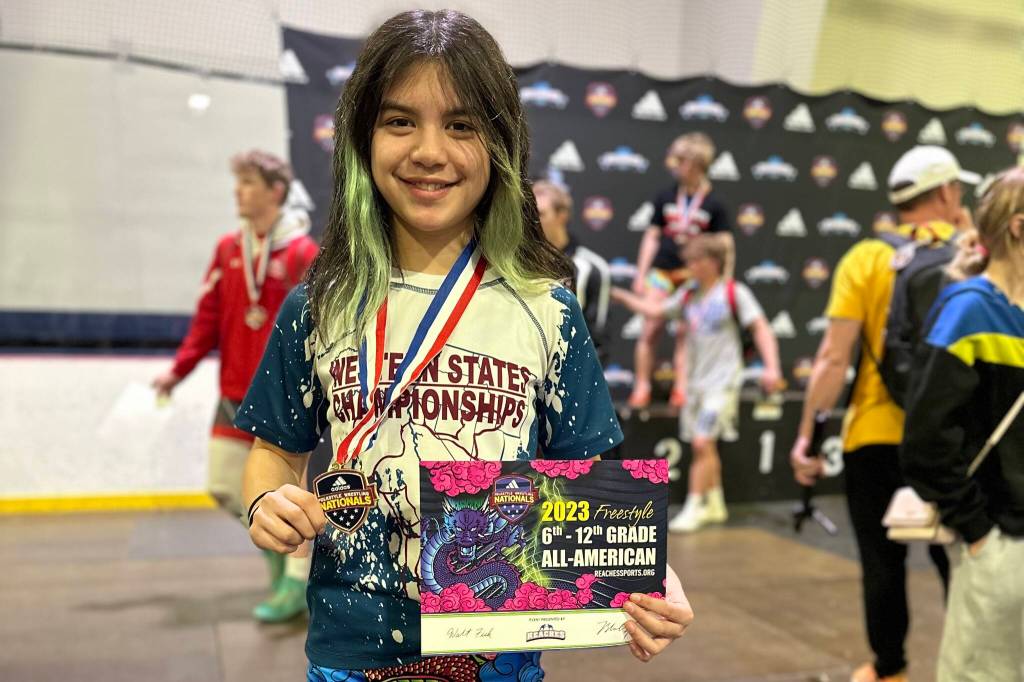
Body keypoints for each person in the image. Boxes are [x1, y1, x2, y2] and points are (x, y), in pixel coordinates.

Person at [234, 10, 693, 680]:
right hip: (350, 651)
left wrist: (649, 576)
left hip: (498, 654)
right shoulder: (318, 305)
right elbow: (274, 454)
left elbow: (591, 492)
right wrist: (265, 502)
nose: (429, 151)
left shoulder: (549, 312)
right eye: (400, 121)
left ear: (501, 144)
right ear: (362, 139)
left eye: (461, 125)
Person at [789, 145, 980, 682]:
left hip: (872, 434)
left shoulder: (867, 258)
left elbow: (833, 359)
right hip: (951, 439)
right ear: (947, 192)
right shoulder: (972, 254)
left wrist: (807, 438)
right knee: (962, 561)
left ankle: (889, 669)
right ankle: (972, 667)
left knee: (880, 561)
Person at [152, 150, 319, 623]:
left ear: (276, 191)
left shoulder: (303, 253)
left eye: (248, 183)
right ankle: (279, 564)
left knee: (289, 491)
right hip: (233, 393)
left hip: (288, 399)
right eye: (238, 182)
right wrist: (178, 371)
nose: (238, 192)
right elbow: (206, 320)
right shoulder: (228, 250)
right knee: (225, 485)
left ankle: (294, 584)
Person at [900, 167, 1024, 681]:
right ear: (1018, 227)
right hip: (1001, 544)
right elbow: (925, 443)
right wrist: (978, 531)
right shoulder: (969, 310)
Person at [612, 234, 781, 532]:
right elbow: (655, 312)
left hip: (723, 383)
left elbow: (761, 329)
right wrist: (620, 296)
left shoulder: (734, 293)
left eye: (695, 260)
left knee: (702, 442)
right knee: (706, 445)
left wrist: (772, 367)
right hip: (695, 384)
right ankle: (715, 503)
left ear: (713, 262)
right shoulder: (688, 294)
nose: (689, 266)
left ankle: (694, 506)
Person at [629, 133, 733, 408]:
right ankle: (642, 386)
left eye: (680, 160)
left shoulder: (715, 203)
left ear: (697, 164)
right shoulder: (665, 196)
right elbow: (652, 236)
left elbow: (725, 245)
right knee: (649, 329)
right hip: (662, 272)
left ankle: (681, 389)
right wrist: (641, 273)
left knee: (685, 334)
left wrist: (724, 281)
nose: (672, 164)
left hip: (692, 277)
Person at [533, 179, 612, 362]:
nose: (532, 221)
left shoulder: (592, 268)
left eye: (540, 214)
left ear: (562, 215)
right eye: (527, 213)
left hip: (570, 372)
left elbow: (598, 341)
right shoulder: (514, 263)